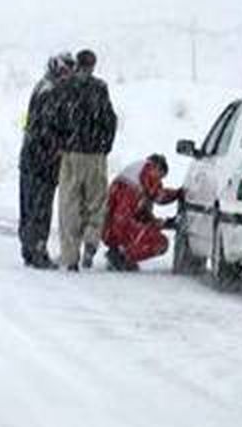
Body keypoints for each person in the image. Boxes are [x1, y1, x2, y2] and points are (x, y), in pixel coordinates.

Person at [52, 48, 117, 271]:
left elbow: (57, 119)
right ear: (93, 65)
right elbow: (110, 119)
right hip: (95, 155)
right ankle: (91, 240)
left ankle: (70, 256)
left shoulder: (65, 88)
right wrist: (105, 146)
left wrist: (60, 144)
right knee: (96, 202)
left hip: (71, 153)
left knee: (69, 204)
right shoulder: (100, 88)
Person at [18, 52, 74, 268]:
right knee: (40, 209)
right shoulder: (51, 92)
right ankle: (37, 249)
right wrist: (57, 148)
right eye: (66, 70)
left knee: (29, 206)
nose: (68, 75)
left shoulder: (41, 87)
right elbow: (46, 128)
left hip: (31, 158)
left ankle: (29, 248)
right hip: (42, 162)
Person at [102, 154, 183, 272]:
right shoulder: (148, 169)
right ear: (158, 168)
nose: (160, 181)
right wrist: (178, 193)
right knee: (161, 243)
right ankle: (122, 257)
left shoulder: (132, 177)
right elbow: (158, 195)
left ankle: (118, 252)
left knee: (149, 234)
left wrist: (164, 223)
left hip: (110, 229)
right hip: (121, 225)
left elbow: (142, 216)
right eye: (160, 177)